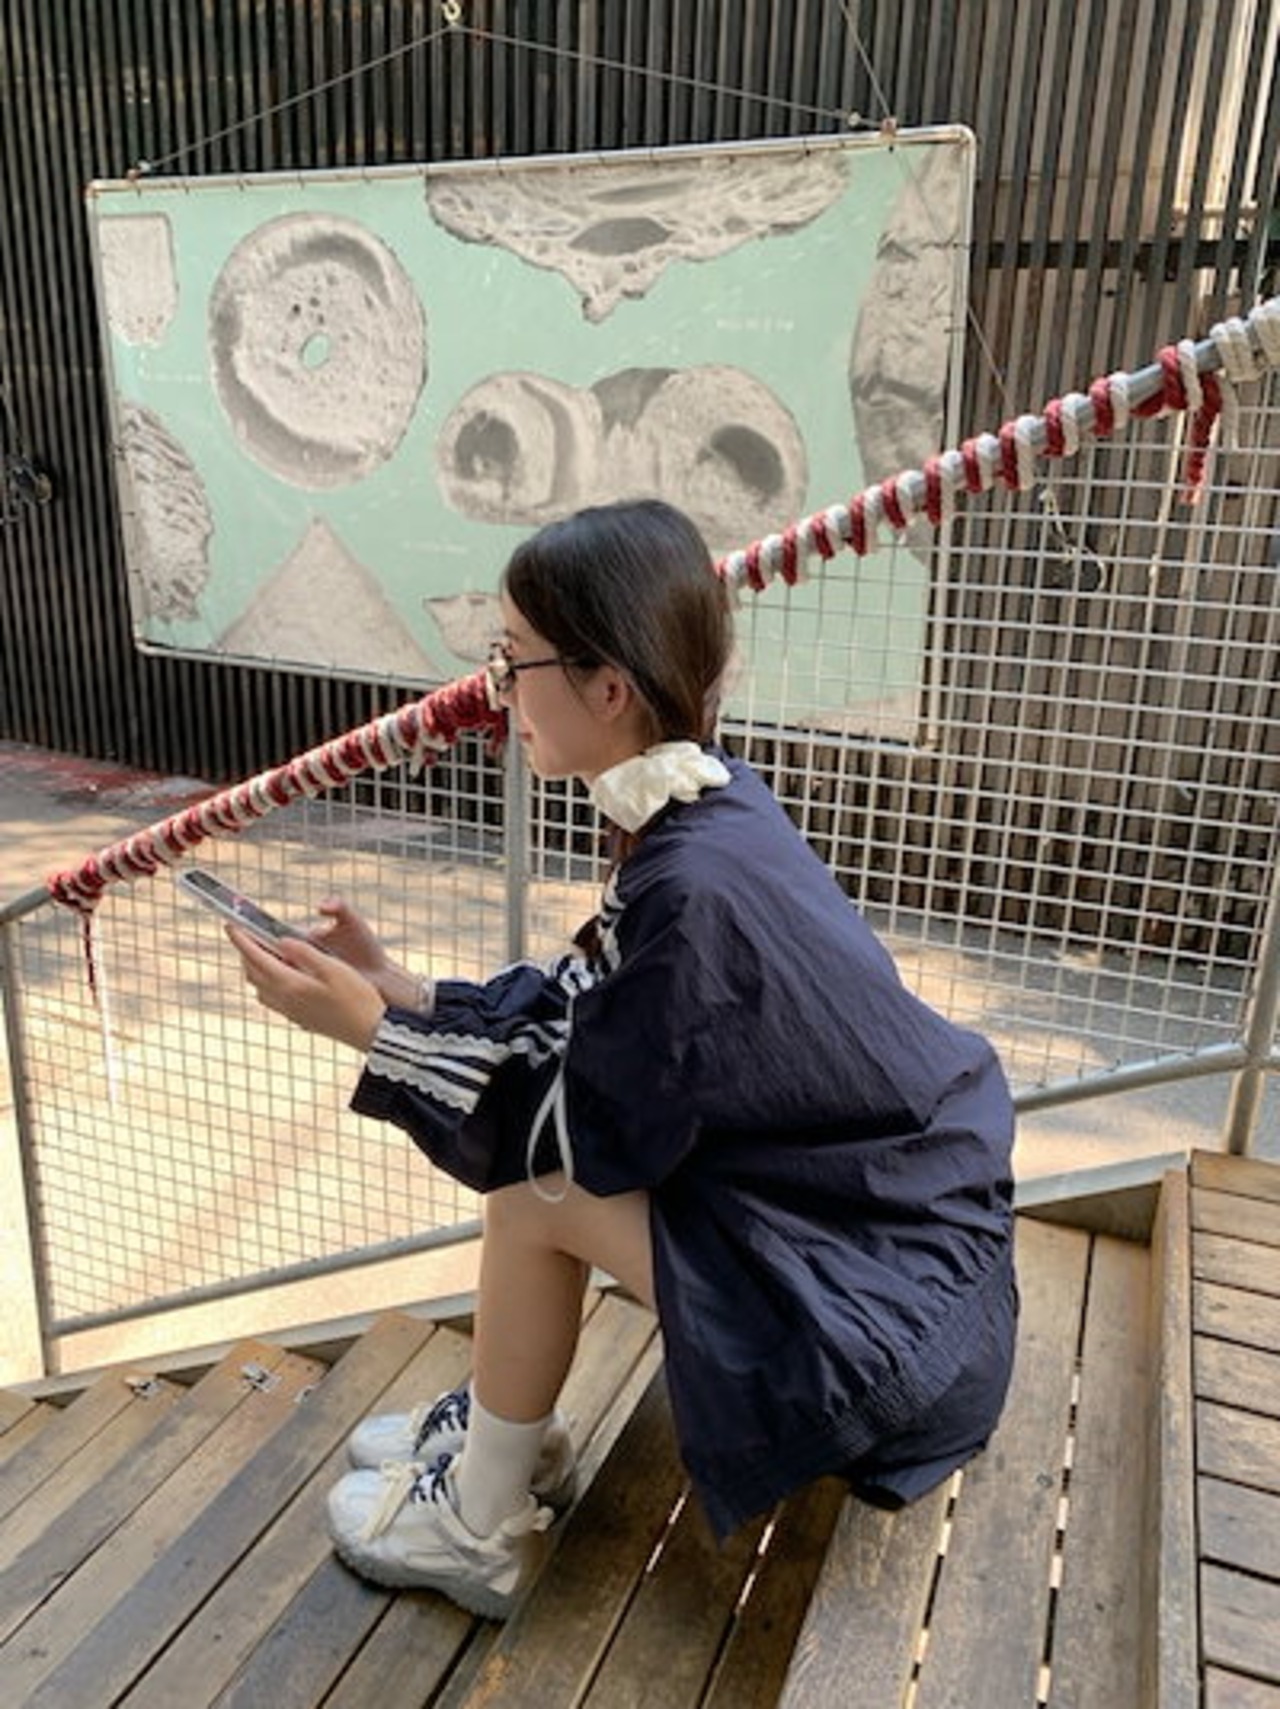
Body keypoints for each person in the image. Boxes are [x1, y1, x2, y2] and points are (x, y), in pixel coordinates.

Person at [228, 497, 1018, 1622]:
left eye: (512, 659)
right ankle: (510, 1428)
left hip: (881, 1332)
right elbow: (592, 1025)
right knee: (547, 1171)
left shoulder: (689, 880)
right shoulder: (709, 804)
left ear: (606, 687)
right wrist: (400, 987)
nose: (495, 689)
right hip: (904, 1257)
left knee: (536, 1187)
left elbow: (565, 1119)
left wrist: (371, 1028)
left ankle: (479, 1522)